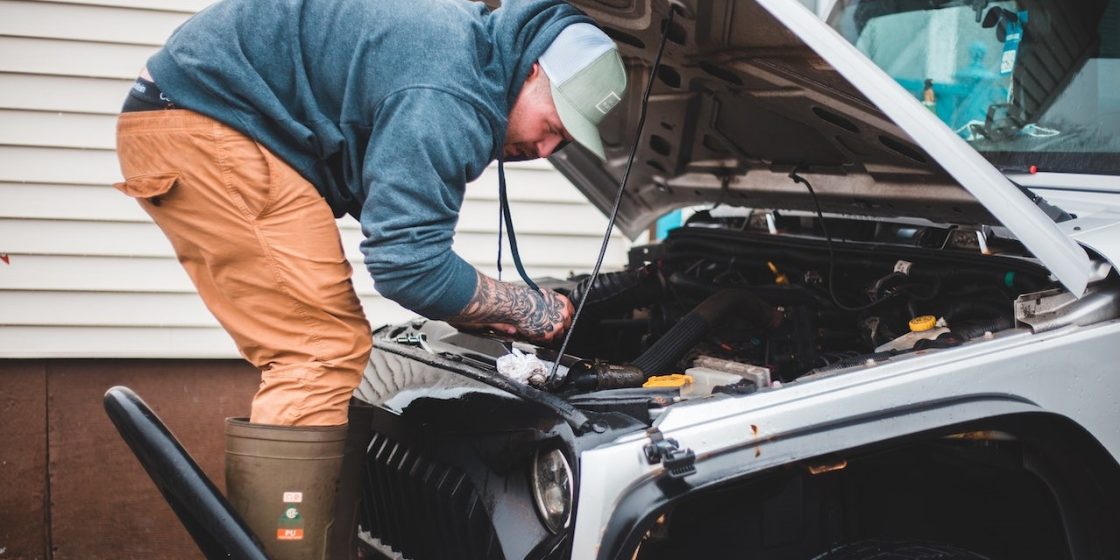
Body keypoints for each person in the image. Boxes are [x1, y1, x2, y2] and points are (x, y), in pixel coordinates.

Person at [112, 0, 626, 557]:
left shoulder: (462, 55)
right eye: (551, 126)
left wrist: (483, 304)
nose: (547, 149)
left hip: (196, 113)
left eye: (564, 141)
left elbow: (403, 242)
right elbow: (408, 266)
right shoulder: (450, 89)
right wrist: (534, 310)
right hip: (207, 124)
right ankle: (287, 548)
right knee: (317, 351)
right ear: (531, 70)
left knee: (324, 345)